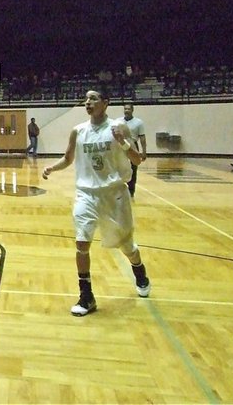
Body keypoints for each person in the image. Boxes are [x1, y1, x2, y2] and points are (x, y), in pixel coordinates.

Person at [42, 89, 151, 316]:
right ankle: (86, 296)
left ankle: (139, 272)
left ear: (106, 103)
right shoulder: (78, 131)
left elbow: (137, 160)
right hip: (86, 194)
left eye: (93, 98)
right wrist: (52, 167)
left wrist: (122, 142)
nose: (88, 102)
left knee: (127, 246)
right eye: (86, 99)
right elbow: (68, 158)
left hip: (114, 194)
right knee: (82, 243)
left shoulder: (119, 129)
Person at [119, 104, 146, 198]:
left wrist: (144, 151)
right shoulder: (118, 121)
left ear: (132, 110)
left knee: (133, 169)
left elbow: (142, 137)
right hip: (120, 145)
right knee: (119, 166)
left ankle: (131, 191)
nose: (126, 110)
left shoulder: (138, 122)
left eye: (128, 109)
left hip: (133, 145)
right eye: (125, 109)